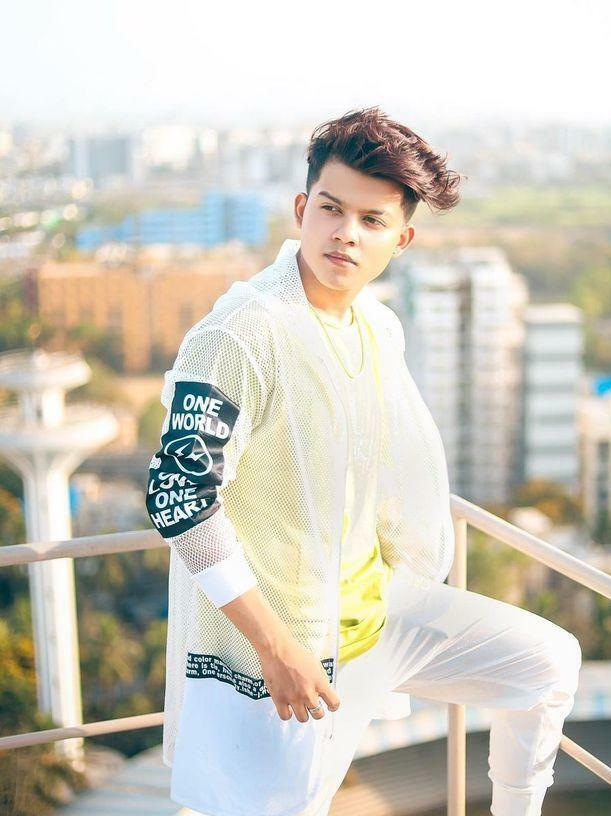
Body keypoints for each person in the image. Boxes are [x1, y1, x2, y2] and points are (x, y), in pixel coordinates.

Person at [145, 106, 582, 816]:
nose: (345, 232)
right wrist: (276, 648)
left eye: (371, 220)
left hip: (378, 616)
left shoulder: (377, 327)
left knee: (548, 662)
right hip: (282, 652)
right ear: (301, 210)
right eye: (330, 208)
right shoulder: (241, 333)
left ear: (400, 239)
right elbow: (179, 497)